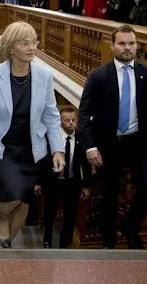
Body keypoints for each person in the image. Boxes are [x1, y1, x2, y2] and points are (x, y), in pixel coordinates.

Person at [0, 21, 65, 249]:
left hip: (33, 149)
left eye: (34, 42)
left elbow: (51, 115)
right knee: (13, 194)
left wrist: (57, 150)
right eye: (25, 43)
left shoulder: (44, 75)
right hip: (3, 148)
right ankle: (1, 218)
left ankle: (7, 251)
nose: (31, 47)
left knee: (25, 202)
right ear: (10, 47)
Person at [78, 24, 147, 249]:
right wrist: (90, 147)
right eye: (122, 43)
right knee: (109, 196)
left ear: (137, 46)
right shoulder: (98, 76)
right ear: (112, 46)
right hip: (109, 145)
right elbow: (84, 115)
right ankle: (108, 243)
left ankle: (130, 227)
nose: (127, 48)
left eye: (131, 43)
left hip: (140, 143)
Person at [42, 107, 93, 249]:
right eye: (67, 120)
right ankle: (47, 240)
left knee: (71, 214)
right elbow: (42, 162)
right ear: (60, 121)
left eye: (73, 120)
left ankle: (66, 243)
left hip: (72, 181)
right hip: (53, 181)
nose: (71, 123)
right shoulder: (52, 138)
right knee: (49, 212)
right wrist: (38, 182)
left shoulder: (81, 137)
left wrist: (86, 185)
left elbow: (86, 164)